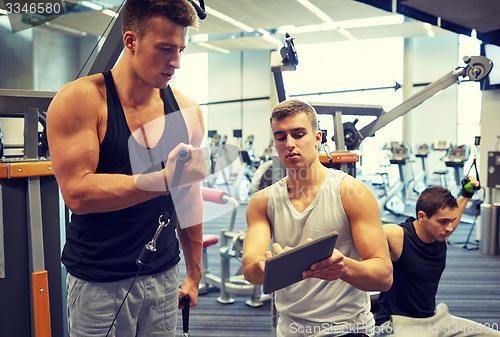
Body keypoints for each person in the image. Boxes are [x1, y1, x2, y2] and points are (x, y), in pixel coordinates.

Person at [46, 1, 206, 336]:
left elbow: (188, 197)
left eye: (180, 49)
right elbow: (77, 194)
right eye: (164, 49)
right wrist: (161, 180)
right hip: (98, 282)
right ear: (131, 41)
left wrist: (194, 273)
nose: (175, 62)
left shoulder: (187, 111)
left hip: (164, 274)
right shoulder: (81, 100)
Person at [242, 99, 393, 337]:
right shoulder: (262, 201)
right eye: (281, 137)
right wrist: (273, 268)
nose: (290, 144)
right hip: (290, 330)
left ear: (317, 137)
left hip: (347, 329)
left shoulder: (352, 193)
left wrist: (342, 267)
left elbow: (384, 276)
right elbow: (251, 270)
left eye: (298, 134)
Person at [374, 179, 500, 336]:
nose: (449, 228)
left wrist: (466, 193)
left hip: (434, 320)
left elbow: (455, 213)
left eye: (451, 222)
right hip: (399, 324)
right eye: (443, 222)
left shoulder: (440, 235)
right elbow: (363, 234)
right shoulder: (397, 235)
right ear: (422, 216)